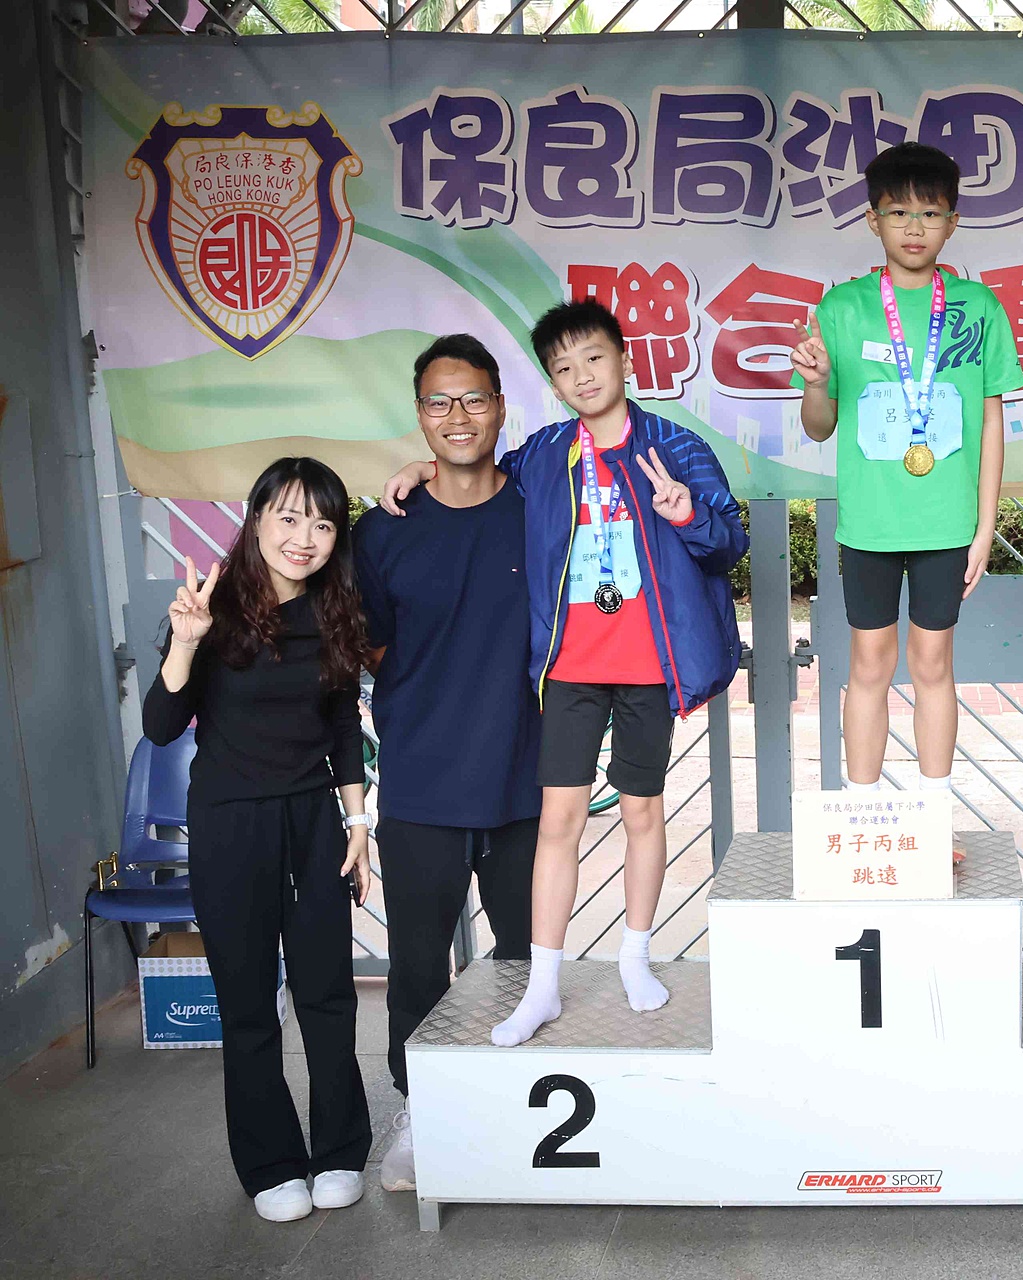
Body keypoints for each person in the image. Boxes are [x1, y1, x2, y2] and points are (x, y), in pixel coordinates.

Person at [382, 298, 746, 1048]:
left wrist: (685, 513)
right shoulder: (546, 453)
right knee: (558, 822)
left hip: (647, 666)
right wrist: (424, 466)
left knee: (643, 812)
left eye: (595, 358)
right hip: (570, 667)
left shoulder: (677, 447)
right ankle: (542, 985)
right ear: (551, 382)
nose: (582, 376)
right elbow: (477, 475)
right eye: (564, 367)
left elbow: (728, 543)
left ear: (626, 361)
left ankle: (634, 956)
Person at [142, 457, 373, 1223]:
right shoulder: (210, 608)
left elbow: (343, 726)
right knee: (246, 1004)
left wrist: (358, 823)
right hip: (231, 824)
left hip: (313, 822)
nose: (305, 537)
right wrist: (185, 644)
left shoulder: (335, 609)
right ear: (257, 518)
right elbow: (161, 727)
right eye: (289, 517)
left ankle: (340, 1152)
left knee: (327, 996)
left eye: (323, 523)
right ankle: (271, 1165)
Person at [353, 335, 541, 1193]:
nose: (457, 416)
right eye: (439, 401)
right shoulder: (383, 531)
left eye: (473, 399)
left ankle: (516, 1106)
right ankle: (420, 1113)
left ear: (500, 407)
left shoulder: (541, 509)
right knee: (419, 968)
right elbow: (371, 642)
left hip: (524, 779)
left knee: (525, 960)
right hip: (423, 781)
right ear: (420, 415)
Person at [789, 141, 1023, 804]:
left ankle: (932, 818)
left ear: (952, 223)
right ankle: (863, 814)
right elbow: (819, 426)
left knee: (932, 664)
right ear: (873, 221)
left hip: (947, 525)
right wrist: (817, 383)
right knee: (868, 664)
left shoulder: (979, 308)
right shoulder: (841, 309)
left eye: (930, 213)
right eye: (898, 212)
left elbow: (992, 423)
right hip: (870, 524)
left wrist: (983, 528)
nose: (914, 227)